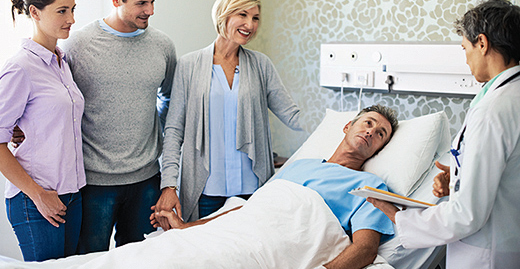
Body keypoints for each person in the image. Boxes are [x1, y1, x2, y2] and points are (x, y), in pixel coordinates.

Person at [369, 0, 520, 268]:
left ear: (482, 43)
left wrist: (397, 217)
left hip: (487, 254)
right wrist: (460, 179)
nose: (466, 58)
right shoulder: (510, 97)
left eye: (465, 48)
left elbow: (467, 216)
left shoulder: (493, 110)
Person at [153, 104, 398, 269]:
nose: (370, 132)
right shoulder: (299, 165)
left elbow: (365, 248)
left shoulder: (371, 186)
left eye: (380, 134)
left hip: (284, 242)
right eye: (368, 123)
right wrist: (188, 228)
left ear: (379, 148)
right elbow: (251, 211)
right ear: (347, 126)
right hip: (244, 232)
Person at [154, 0, 302, 226]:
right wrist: (169, 185)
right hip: (206, 191)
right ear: (224, 15)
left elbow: (292, 115)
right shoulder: (189, 65)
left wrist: (336, 128)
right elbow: (173, 131)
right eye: (242, 15)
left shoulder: (261, 65)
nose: (250, 24)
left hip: (252, 189)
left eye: (255, 18)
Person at [60, 0, 177, 253]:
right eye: (141, 3)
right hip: (93, 183)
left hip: (147, 180)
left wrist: (155, 142)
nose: (149, 10)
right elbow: (58, 105)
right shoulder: (78, 46)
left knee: (143, 259)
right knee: (90, 261)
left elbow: (170, 99)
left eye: (152, 2)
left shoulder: (163, 46)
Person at [0, 0, 84, 261]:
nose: (71, 18)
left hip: (72, 195)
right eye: (62, 11)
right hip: (35, 200)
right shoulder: (20, 68)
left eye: (73, 9)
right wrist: (38, 195)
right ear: (34, 12)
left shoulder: (62, 62)